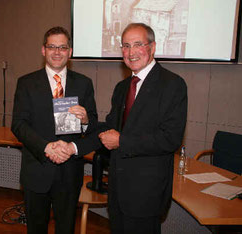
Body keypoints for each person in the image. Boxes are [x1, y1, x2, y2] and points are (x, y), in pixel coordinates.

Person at [72, 23, 188, 233]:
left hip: (146, 194)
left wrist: (122, 141)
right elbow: (111, 128)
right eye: (125, 46)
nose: (131, 52)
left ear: (152, 47)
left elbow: (170, 138)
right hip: (117, 190)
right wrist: (87, 121)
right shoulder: (122, 87)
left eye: (138, 44)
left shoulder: (173, 84)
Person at [11, 26, 98, 234]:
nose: (57, 52)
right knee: (36, 228)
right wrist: (46, 147)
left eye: (62, 47)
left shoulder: (84, 84)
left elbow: (93, 125)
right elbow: (18, 125)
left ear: (70, 51)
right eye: (52, 47)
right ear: (43, 50)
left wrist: (86, 119)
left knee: (66, 228)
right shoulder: (26, 83)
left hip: (69, 173)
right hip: (37, 169)